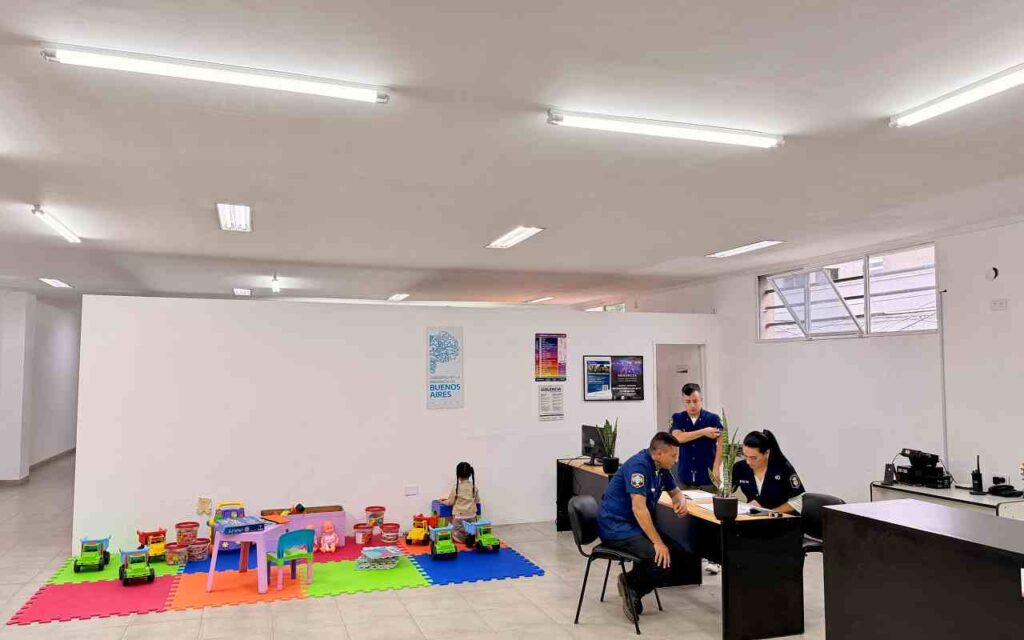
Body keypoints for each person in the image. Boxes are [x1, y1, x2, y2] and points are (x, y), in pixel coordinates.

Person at [598, 433, 690, 623]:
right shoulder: (638, 468)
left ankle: (630, 583)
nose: (676, 460)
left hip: (636, 527)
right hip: (617, 528)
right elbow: (638, 508)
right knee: (660, 559)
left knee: (678, 553)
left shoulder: (661, 468)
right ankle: (632, 587)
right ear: (658, 454)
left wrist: (680, 500)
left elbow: (676, 492)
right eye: (673, 456)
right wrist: (658, 542)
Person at [723, 430, 805, 513]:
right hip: (751, 517)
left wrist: (768, 513)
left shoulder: (783, 468)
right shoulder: (740, 467)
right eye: (745, 456)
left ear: (766, 453)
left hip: (780, 517)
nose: (748, 462)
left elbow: (797, 503)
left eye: (753, 458)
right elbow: (725, 491)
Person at [669, 383, 722, 492]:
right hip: (684, 474)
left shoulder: (713, 419)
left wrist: (717, 466)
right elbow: (678, 437)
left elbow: (722, 442)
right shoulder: (678, 418)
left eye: (695, 401)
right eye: (688, 402)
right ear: (683, 401)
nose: (692, 405)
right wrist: (704, 432)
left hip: (707, 475)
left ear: (701, 400)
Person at [439, 461, 479, 543]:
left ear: (458, 475)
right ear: (470, 474)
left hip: (459, 518)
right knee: (471, 529)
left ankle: (460, 538)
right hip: (472, 517)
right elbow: (477, 500)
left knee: (450, 522)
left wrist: (442, 501)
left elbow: (450, 502)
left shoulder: (456, 488)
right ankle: (470, 536)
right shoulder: (474, 487)